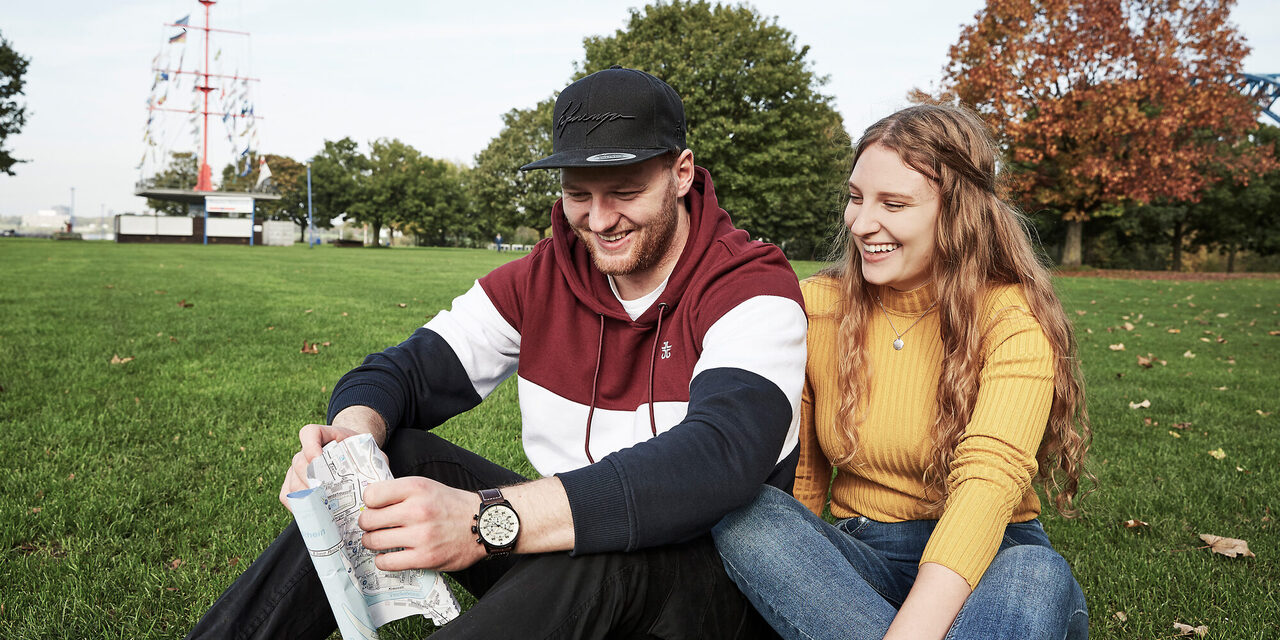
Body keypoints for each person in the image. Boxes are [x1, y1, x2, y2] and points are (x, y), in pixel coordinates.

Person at [187, 66, 807, 639]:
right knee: (389, 454)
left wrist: (487, 521)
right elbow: (400, 371)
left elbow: (718, 457)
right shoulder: (542, 279)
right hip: (568, 554)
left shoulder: (750, 286)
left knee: (602, 552)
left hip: (712, 587)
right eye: (577, 195)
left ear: (682, 173)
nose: (598, 220)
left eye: (623, 190)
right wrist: (351, 438)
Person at [711, 103, 1092, 640]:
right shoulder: (819, 305)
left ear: (959, 213)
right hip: (863, 556)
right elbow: (802, 480)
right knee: (746, 512)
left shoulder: (1010, 317)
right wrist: (803, 582)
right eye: (855, 198)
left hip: (992, 560)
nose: (862, 224)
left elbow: (988, 482)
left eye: (893, 203)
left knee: (1035, 575)